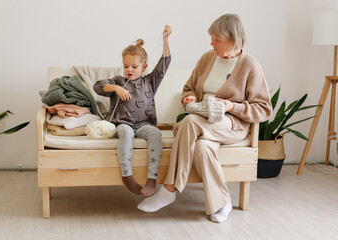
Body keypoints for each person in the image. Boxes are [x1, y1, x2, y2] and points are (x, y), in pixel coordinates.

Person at [137, 14, 272, 223]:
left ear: (233, 38)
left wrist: (231, 106)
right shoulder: (207, 58)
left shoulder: (250, 66)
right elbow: (188, 88)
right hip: (203, 123)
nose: (211, 43)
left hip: (232, 126)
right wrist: (189, 98)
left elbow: (264, 109)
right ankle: (222, 202)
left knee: (189, 122)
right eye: (211, 38)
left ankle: (169, 188)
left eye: (217, 39)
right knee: (202, 148)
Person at [94, 25, 172, 196]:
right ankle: (127, 176)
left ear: (144, 67)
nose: (129, 70)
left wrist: (165, 40)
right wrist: (115, 88)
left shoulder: (150, 81)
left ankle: (152, 178)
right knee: (127, 134)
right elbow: (97, 86)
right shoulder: (118, 81)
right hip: (122, 124)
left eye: (134, 66)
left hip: (144, 124)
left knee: (155, 134)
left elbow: (165, 64)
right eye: (126, 66)